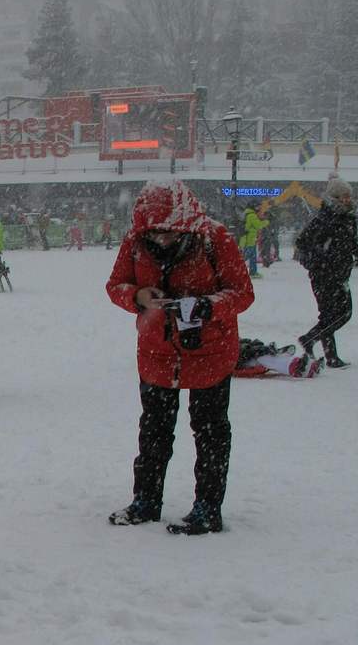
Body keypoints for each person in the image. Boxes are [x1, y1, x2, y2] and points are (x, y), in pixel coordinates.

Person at [106, 178, 255, 536]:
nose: (161, 239)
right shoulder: (135, 241)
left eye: (169, 232)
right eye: (154, 232)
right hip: (157, 353)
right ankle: (145, 500)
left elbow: (242, 292)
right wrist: (139, 296)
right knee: (154, 432)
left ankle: (207, 508)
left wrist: (206, 306)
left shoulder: (214, 237)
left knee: (210, 434)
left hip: (210, 353)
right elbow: (116, 285)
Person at [295, 177, 358, 367]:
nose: (348, 199)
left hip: (341, 273)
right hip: (324, 275)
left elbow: (349, 243)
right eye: (345, 196)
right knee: (336, 314)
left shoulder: (346, 218)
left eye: (348, 195)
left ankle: (323, 349)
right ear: (335, 197)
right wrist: (322, 261)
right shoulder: (324, 219)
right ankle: (318, 346)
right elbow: (303, 242)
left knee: (337, 314)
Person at [240, 204, 266, 277]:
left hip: (244, 239)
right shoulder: (252, 215)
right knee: (251, 257)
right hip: (249, 240)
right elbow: (258, 225)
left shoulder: (245, 214)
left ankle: (244, 272)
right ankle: (253, 272)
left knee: (246, 257)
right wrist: (267, 221)